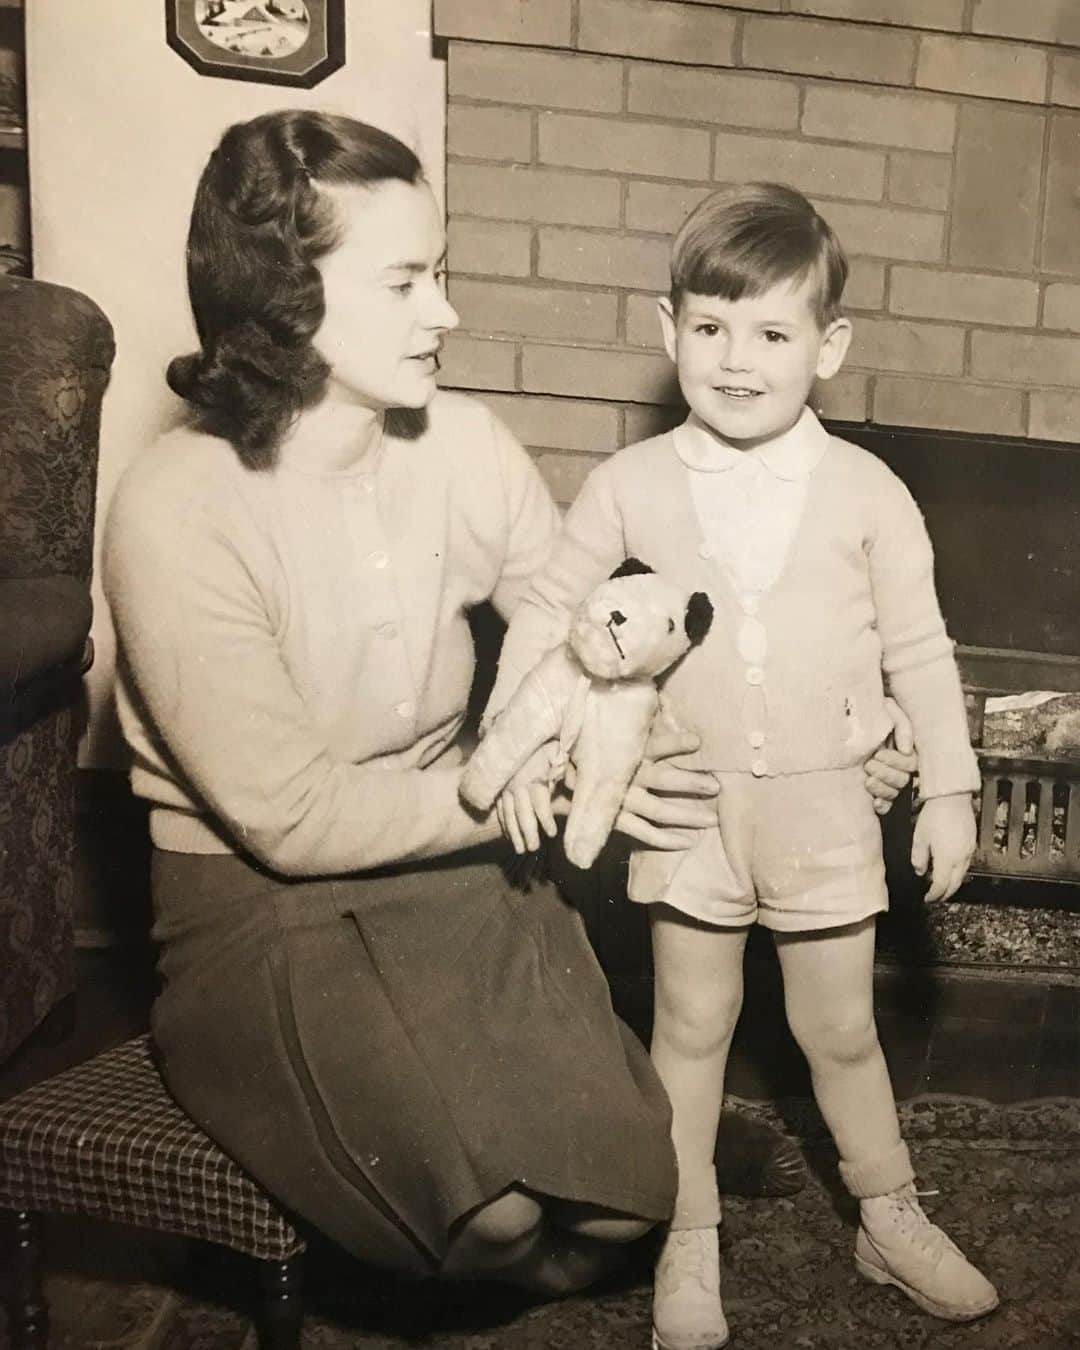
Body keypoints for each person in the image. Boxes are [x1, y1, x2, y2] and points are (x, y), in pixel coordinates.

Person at [104, 113, 910, 1301]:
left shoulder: (462, 446)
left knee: (629, 1201)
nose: (447, 314)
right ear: (283, 295)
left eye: (444, 272)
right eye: (406, 282)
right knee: (489, 1219)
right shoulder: (177, 508)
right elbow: (291, 820)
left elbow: (606, 636)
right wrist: (561, 785)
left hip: (461, 867)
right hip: (258, 910)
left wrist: (823, 743)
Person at [481, 182, 998, 1348]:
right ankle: (687, 1238)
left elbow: (920, 646)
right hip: (692, 817)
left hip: (824, 820)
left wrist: (953, 784)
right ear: (668, 333)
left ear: (829, 348)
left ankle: (888, 1209)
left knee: (842, 1032)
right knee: (693, 1029)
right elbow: (554, 610)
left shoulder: (871, 492)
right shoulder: (631, 484)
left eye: (773, 332)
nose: (737, 358)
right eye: (710, 328)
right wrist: (527, 738)